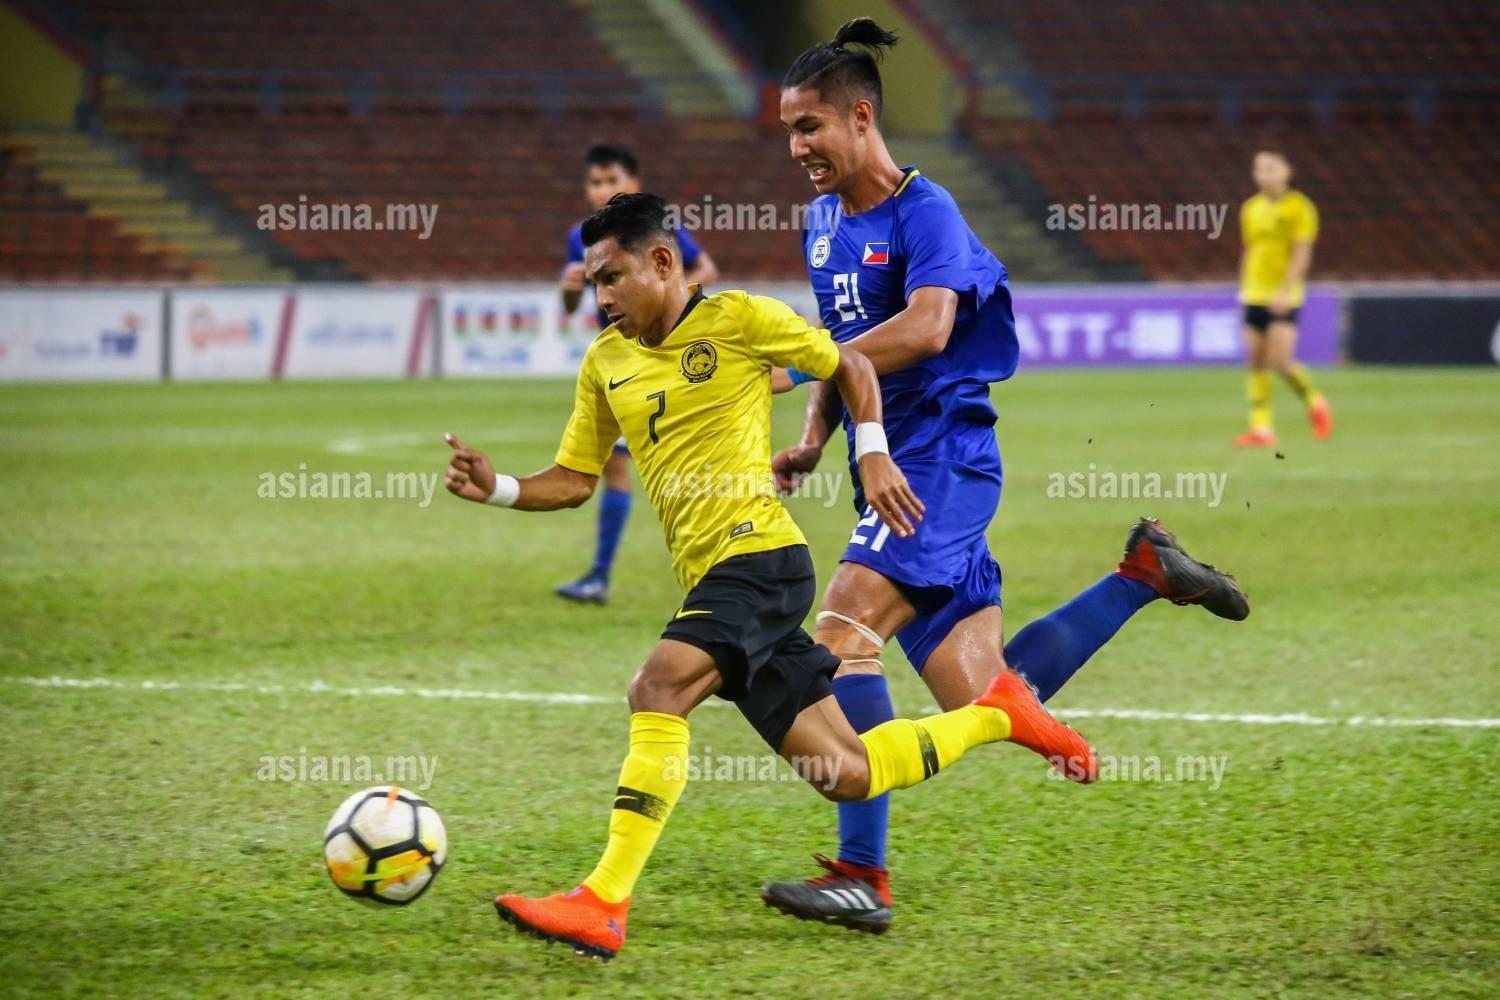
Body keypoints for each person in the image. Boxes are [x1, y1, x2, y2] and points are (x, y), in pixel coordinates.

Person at [442, 193, 1098, 960]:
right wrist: (498, 488)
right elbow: (576, 478)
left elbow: (850, 361)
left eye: (612, 277)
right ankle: (1000, 713)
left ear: (663, 262)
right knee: (844, 771)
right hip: (715, 580)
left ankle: (603, 902)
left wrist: (872, 452)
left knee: (658, 688)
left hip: (759, 560)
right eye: (594, 283)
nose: (603, 297)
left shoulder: (740, 319)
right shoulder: (606, 362)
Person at [760, 19, 1249, 933]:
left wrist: (797, 366)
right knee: (979, 693)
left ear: (861, 117)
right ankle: (1141, 574)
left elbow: (928, 327)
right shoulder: (820, 223)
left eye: (810, 127)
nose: (797, 148)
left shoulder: (925, 210)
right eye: (788, 130)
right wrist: (817, 435)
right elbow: (847, 350)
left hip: (941, 457)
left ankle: (863, 874)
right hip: (886, 463)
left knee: (843, 630)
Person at [556, 144, 720, 603]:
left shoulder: (655, 228)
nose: (602, 190)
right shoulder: (582, 237)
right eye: (595, 182)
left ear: (633, 183)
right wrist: (570, 287)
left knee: (685, 465)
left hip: (665, 358)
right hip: (620, 364)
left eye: (612, 180)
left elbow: (704, 267)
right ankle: (600, 575)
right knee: (616, 468)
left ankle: (721, 563)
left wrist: (672, 295)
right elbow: (571, 304)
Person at [1233, 149, 1332, 447]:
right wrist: (1242, 285)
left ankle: (1315, 401)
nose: (1265, 175)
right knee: (1255, 363)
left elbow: (1302, 254)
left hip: (1282, 295)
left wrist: (1286, 290)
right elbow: (1250, 250)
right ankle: (1261, 429)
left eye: (1271, 169)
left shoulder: (1299, 208)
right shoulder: (1250, 208)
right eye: (1260, 169)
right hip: (1254, 293)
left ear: (1287, 171)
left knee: (1280, 362)